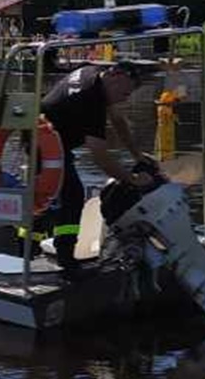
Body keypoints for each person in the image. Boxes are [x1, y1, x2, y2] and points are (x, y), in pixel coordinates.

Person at [38, 60, 150, 271]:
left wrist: (136, 154)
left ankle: (57, 236)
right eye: (125, 94)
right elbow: (99, 155)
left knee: (67, 192)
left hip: (55, 139)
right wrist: (132, 179)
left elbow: (118, 119)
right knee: (73, 195)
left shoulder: (93, 74)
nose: (125, 99)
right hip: (44, 143)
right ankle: (66, 258)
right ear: (116, 76)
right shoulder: (92, 98)